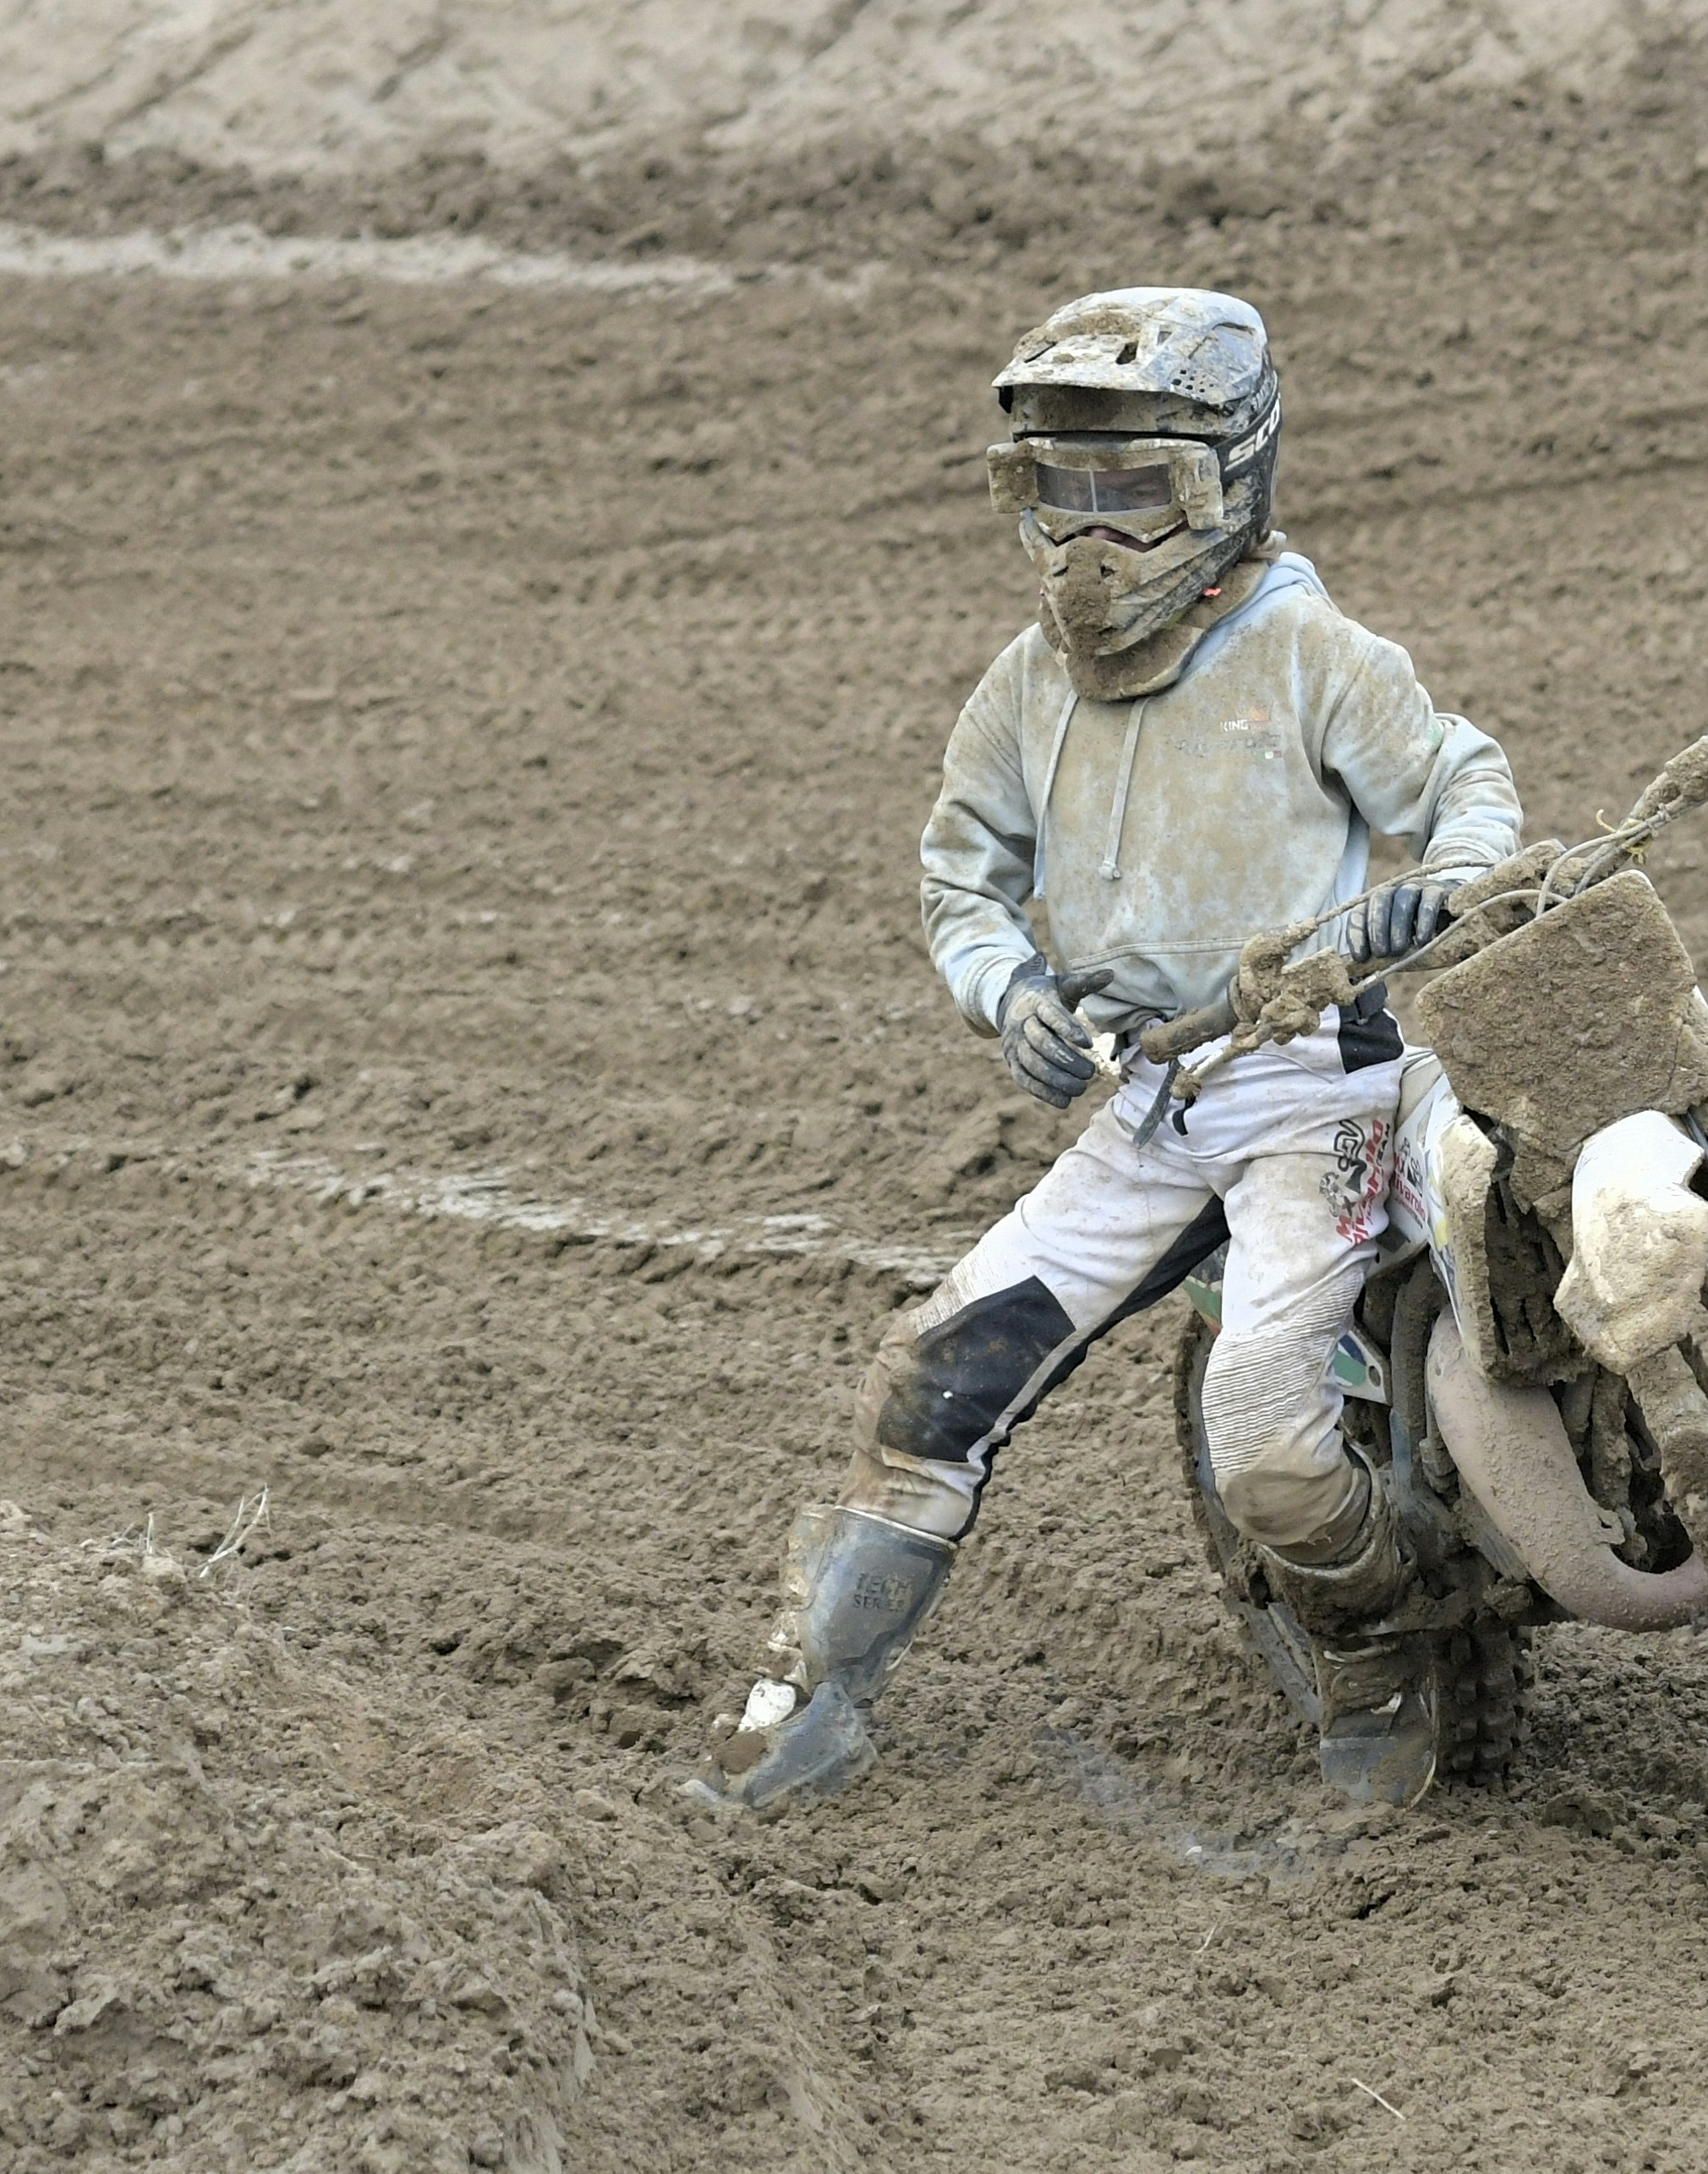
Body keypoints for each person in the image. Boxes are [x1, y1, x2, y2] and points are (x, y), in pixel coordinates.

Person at [692, 288, 1521, 1816]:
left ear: (1230, 485)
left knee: (1265, 1428)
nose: (1091, 543)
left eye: (1133, 495)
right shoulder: (1024, 686)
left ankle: (1386, 1650)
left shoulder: (1312, 655)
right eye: (1055, 497)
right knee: (932, 1379)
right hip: (1148, 1099)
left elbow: (1468, 780)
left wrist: (1442, 887)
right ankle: (813, 1698)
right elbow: (963, 874)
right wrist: (1005, 991)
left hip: (1314, 1092)